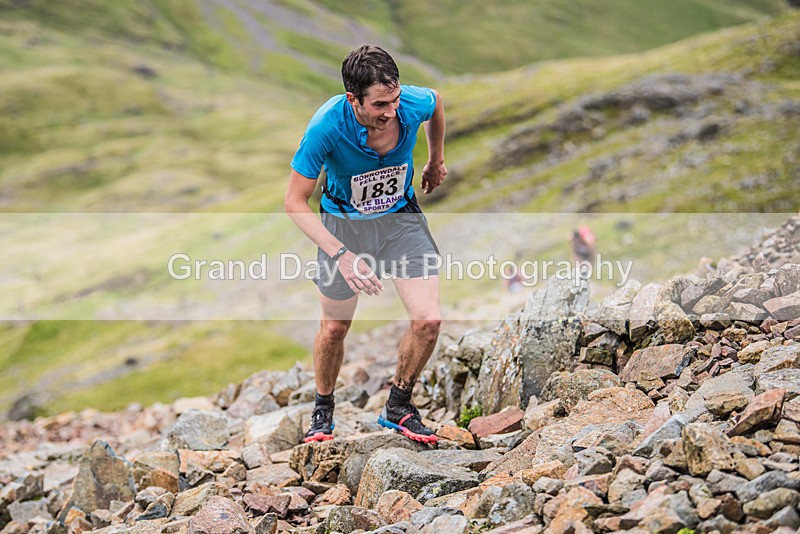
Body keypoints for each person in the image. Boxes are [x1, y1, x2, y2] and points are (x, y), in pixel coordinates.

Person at [284, 45, 447, 444]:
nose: (390, 111)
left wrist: (435, 159)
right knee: (336, 328)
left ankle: (399, 406)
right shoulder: (326, 126)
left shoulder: (408, 103)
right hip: (343, 229)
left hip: (399, 220)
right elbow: (293, 202)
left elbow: (436, 103)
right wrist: (341, 256)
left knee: (428, 322)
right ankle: (323, 409)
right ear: (353, 99)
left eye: (394, 100)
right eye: (379, 104)